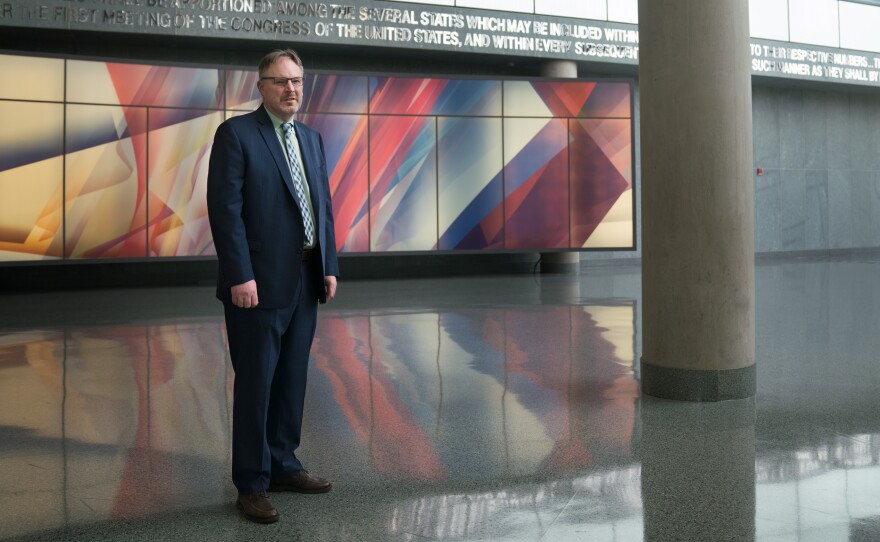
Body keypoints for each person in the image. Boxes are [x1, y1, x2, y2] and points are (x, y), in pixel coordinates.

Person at [206, 48, 339, 524]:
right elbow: (225, 212)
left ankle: (284, 464)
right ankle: (252, 482)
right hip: (256, 284)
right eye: (282, 81)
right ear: (260, 86)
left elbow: (321, 206)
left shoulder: (312, 138)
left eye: (298, 81)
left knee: (292, 381)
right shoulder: (237, 134)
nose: (292, 90)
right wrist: (239, 274)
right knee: (258, 382)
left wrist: (328, 265)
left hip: (305, 279)